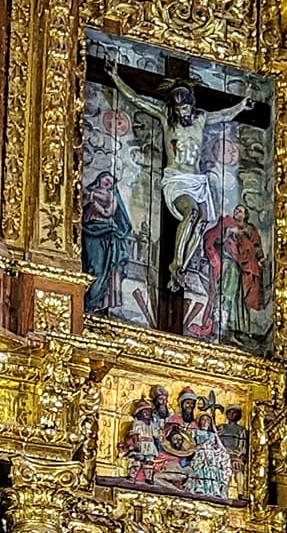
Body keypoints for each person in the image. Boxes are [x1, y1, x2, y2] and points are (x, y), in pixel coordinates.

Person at [109, 69, 250, 290]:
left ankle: (181, 267)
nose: (181, 111)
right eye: (177, 108)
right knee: (191, 213)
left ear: (191, 105)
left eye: (184, 107)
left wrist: (241, 105)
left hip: (197, 181)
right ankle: (175, 261)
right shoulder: (167, 119)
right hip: (176, 179)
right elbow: (137, 100)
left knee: (201, 223)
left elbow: (223, 115)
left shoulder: (201, 119)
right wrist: (116, 78)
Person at [204, 203, 267, 341]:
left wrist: (260, 258)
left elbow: (256, 245)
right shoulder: (227, 223)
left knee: (241, 299)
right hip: (230, 262)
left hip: (244, 267)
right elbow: (216, 239)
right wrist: (229, 232)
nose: (237, 212)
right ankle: (222, 330)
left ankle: (240, 330)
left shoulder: (250, 229)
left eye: (241, 211)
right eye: (236, 210)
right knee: (227, 294)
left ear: (245, 215)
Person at [81, 169, 134, 314]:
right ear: (99, 179)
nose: (107, 182)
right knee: (91, 265)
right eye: (106, 178)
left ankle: (96, 303)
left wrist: (94, 202)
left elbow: (108, 212)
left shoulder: (111, 197)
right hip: (89, 231)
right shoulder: (89, 192)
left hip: (104, 232)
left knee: (102, 269)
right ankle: (87, 300)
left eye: (110, 182)